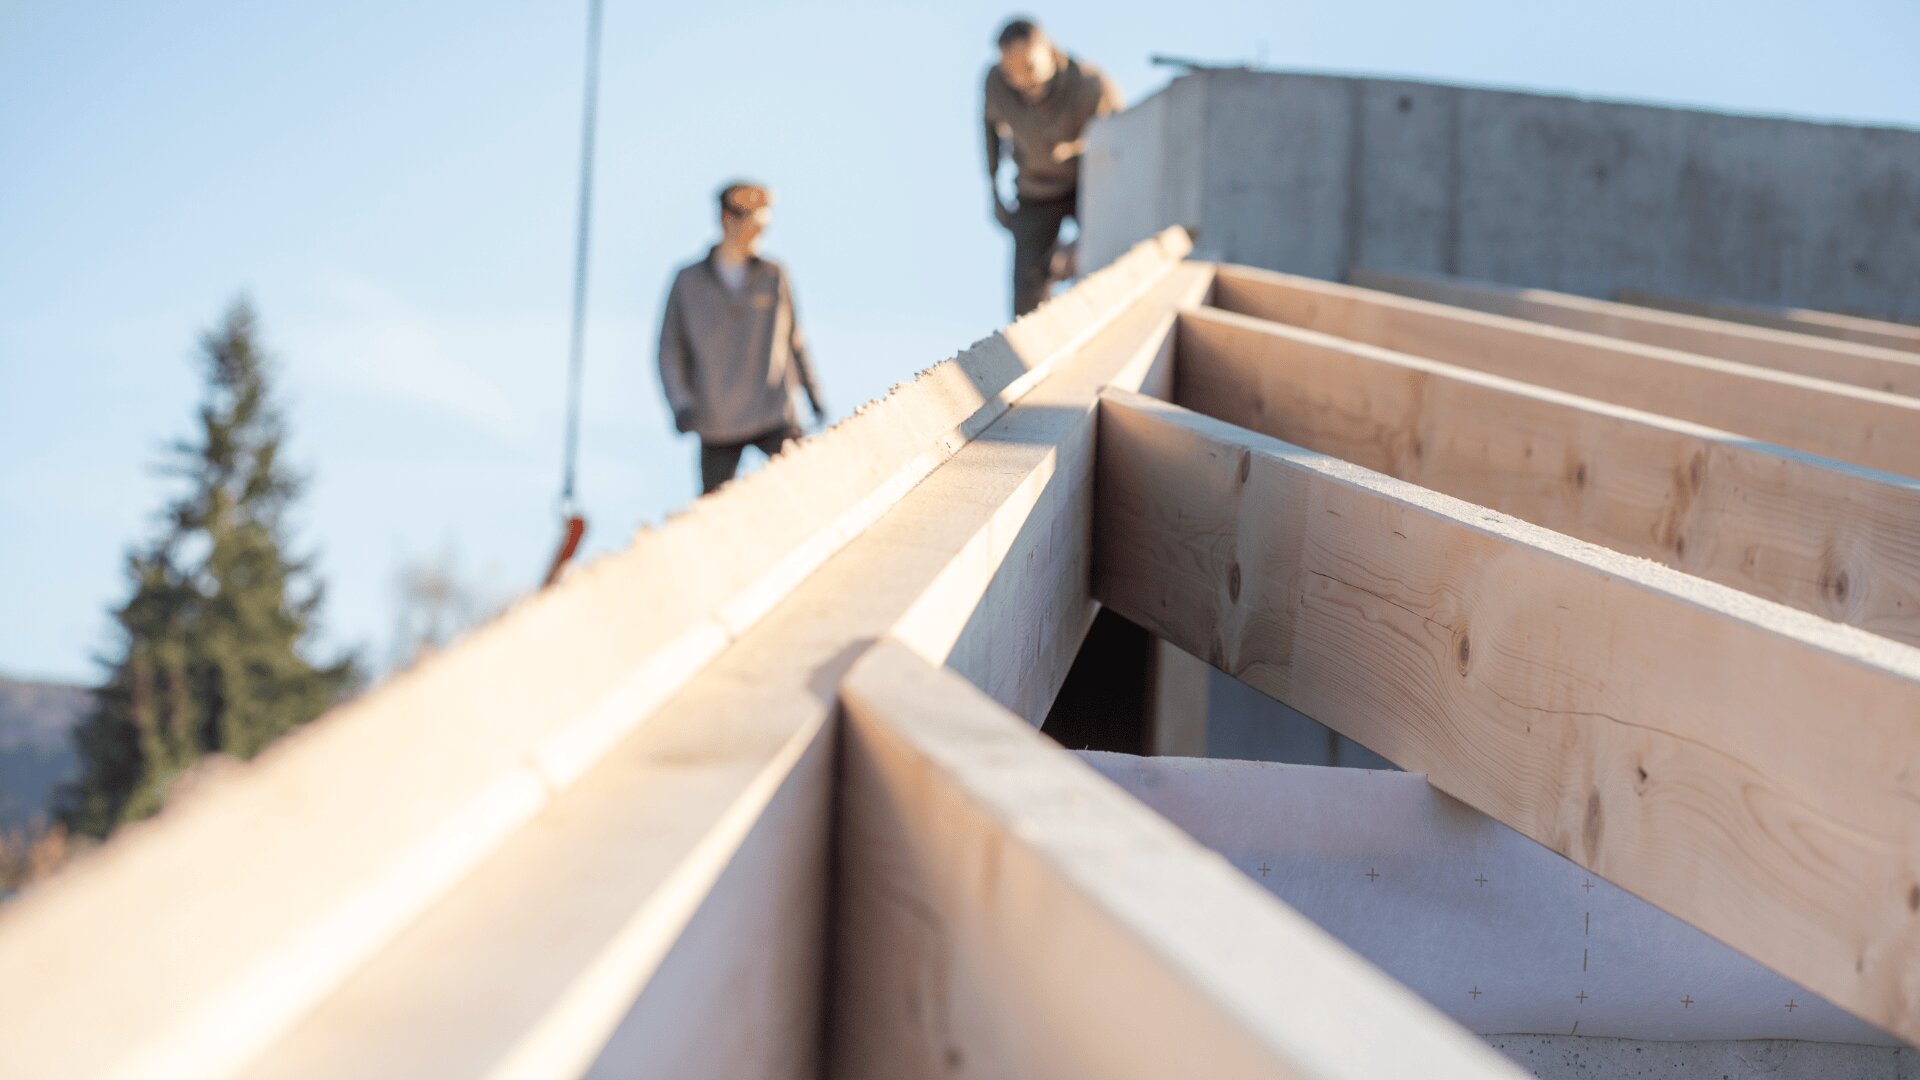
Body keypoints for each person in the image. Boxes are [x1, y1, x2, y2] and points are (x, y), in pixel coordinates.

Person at [657, 181, 827, 495]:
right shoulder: (688, 282)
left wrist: (813, 394)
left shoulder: (773, 275)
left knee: (811, 485)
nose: (757, 236)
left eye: (762, 228)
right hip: (716, 419)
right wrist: (680, 404)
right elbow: (669, 351)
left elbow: (794, 341)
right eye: (751, 226)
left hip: (772, 412)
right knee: (713, 514)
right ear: (726, 219)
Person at [983, 17, 1124, 317]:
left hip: (1085, 185)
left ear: (1050, 52)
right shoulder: (995, 84)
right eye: (1013, 73)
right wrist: (993, 188)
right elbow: (989, 129)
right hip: (1035, 189)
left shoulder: (1089, 86)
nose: (1023, 80)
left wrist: (1087, 237)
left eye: (1030, 68)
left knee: (1115, 256)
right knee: (1026, 288)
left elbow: (1120, 145)